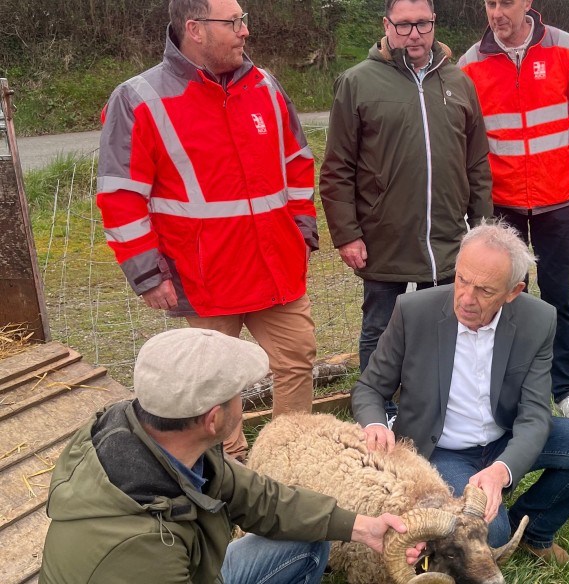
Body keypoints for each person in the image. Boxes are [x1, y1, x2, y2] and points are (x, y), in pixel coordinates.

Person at [96, 0, 318, 461]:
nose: (244, 31)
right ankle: (229, 470)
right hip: (206, 277)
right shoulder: (138, 99)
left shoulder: (265, 86)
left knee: (297, 361)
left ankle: (290, 461)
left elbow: (297, 160)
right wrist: (147, 274)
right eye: (233, 22)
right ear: (194, 29)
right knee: (213, 385)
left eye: (243, 20)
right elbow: (120, 196)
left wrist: (302, 228)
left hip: (277, 265)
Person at [40, 328, 422, 584]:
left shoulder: (165, 445)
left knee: (309, 536)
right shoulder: (141, 547)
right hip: (164, 567)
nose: (242, 404)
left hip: (192, 566)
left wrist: (361, 527)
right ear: (213, 419)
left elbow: (261, 498)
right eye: (239, 396)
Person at [352, 222, 569, 565]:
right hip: (442, 449)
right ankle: (506, 528)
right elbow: (370, 387)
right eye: (462, 280)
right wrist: (375, 423)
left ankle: (534, 530)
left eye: (484, 291)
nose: (466, 298)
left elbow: (535, 415)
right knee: (493, 536)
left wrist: (502, 469)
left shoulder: (538, 319)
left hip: (503, 438)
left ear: (513, 291)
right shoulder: (413, 311)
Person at [319, 0, 493, 423]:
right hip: (385, 236)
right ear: (386, 25)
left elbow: (476, 163)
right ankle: (378, 412)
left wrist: (483, 229)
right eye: (404, 25)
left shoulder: (458, 82)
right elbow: (337, 168)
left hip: (448, 237)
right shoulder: (357, 82)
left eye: (422, 24)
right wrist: (347, 233)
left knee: (450, 325)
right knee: (380, 328)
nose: (414, 34)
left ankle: (443, 407)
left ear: (434, 24)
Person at [458, 0, 569, 423]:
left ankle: (565, 391)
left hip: (557, 201)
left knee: (558, 298)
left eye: (506, 3)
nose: (497, 13)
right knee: (506, 299)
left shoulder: (565, 49)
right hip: (501, 205)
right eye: (490, 3)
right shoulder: (470, 64)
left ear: (527, 3)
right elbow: (458, 137)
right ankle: (509, 391)